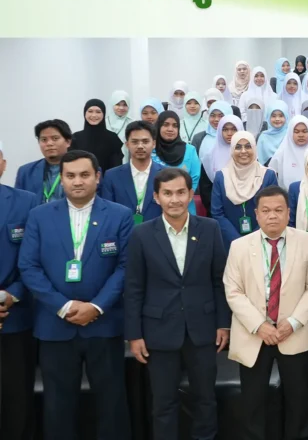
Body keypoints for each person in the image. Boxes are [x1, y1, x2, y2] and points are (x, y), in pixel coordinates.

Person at [18, 150, 134, 440]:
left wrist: (97, 306)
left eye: (84, 175)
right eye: (70, 175)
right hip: (55, 325)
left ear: (98, 177)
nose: (77, 181)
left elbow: (126, 267)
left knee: (111, 404)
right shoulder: (39, 216)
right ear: (61, 179)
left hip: (104, 325)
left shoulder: (120, 215)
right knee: (58, 406)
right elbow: (29, 267)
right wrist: (64, 305)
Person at [123, 167, 229, 440]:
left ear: (191, 195)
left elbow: (219, 280)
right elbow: (133, 288)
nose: (175, 199)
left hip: (203, 329)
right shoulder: (141, 234)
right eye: (167, 193)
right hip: (159, 331)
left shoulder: (210, 229)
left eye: (181, 192)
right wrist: (134, 335)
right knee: (163, 403)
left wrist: (223, 324)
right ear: (156, 197)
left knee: (205, 399)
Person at [223, 186, 308, 440]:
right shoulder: (239, 246)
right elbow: (233, 291)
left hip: (294, 332)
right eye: (265, 211)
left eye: (279, 210)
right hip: (254, 334)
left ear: (289, 212)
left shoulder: (306, 241)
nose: (272, 216)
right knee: (252, 402)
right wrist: (259, 325)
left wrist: (294, 321)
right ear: (256, 214)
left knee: (299, 401)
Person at [0, 141, 39, 440]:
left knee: (17, 394)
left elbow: (35, 258)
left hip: (15, 314)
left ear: (3, 164)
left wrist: (10, 295)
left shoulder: (27, 202)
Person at [211, 131, 279, 248]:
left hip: (262, 240)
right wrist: (237, 240)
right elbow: (217, 213)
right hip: (230, 242)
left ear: (254, 148)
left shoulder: (268, 175)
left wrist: (253, 238)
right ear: (232, 150)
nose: (243, 151)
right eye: (238, 147)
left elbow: (272, 210)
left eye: (248, 146)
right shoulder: (221, 177)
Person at [100, 121, 165, 224]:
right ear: (127, 144)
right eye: (135, 142)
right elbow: (107, 211)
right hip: (122, 231)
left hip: (157, 231)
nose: (140, 146)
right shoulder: (112, 176)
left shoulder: (166, 175)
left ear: (153, 144)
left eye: (145, 141)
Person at [151, 111, 201, 214]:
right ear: (158, 126)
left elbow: (194, 178)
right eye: (166, 125)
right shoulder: (151, 150)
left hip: (184, 206)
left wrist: (183, 197)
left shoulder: (190, 150)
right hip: (156, 206)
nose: (170, 129)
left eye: (175, 126)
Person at [16, 119, 72, 204]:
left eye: (55, 138)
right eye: (44, 140)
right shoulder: (25, 172)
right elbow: (18, 203)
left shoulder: (83, 169)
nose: (49, 143)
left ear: (68, 142)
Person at [269, 116, 308, 189]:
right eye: (296, 132)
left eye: (304, 131)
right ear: (290, 133)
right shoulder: (281, 154)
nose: (301, 135)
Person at [256, 100, 290, 164]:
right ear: (268, 117)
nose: (277, 119)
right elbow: (259, 161)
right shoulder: (263, 137)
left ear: (286, 117)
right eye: (273, 116)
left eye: (281, 116)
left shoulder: (289, 135)